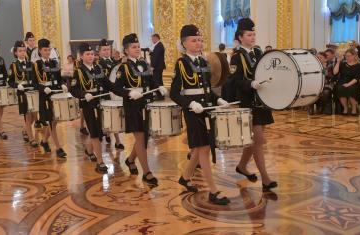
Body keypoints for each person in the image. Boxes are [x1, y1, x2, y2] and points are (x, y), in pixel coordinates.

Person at [170, 24, 231, 205]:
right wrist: (190, 104)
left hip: (206, 109)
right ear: (184, 43)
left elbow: (206, 88)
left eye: (200, 40)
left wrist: (218, 99)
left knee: (198, 148)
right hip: (193, 111)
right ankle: (213, 191)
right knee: (203, 148)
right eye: (194, 40)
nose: (198, 43)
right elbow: (174, 93)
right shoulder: (181, 64)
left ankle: (186, 177)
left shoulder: (204, 62)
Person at [229, 18, 278, 192]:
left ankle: (242, 166)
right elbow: (235, 80)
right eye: (249, 35)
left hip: (261, 101)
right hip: (248, 101)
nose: (253, 37)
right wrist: (249, 84)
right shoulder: (236, 57)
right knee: (258, 140)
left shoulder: (258, 53)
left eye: (254, 34)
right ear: (240, 37)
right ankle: (265, 178)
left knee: (254, 140)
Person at [114, 33, 166, 185]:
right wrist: (129, 92)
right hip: (132, 106)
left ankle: (130, 160)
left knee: (144, 138)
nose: (137, 49)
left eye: (137, 46)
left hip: (145, 103)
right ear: (126, 50)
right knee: (141, 139)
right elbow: (117, 88)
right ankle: (147, 173)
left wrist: (159, 87)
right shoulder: (123, 68)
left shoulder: (144, 64)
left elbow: (151, 80)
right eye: (133, 47)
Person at [70, 42, 117, 173]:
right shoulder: (78, 71)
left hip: (100, 103)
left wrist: (122, 91)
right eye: (87, 54)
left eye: (92, 54)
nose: (90, 56)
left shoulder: (98, 68)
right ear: (81, 56)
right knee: (95, 133)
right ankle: (100, 162)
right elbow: (73, 89)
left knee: (99, 132)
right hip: (88, 105)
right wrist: (84, 94)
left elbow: (108, 84)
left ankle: (89, 150)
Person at [32, 38, 67, 158]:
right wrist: (42, 88)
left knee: (54, 121)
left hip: (55, 95)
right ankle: (58, 148)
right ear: (40, 51)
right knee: (51, 122)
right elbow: (34, 83)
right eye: (45, 50)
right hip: (45, 96)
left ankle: (45, 141)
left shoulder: (54, 62)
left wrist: (62, 84)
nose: (47, 52)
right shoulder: (36, 65)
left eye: (49, 50)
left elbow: (59, 78)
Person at [8, 41, 39, 147]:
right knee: (28, 115)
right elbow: (10, 81)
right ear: (16, 53)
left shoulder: (31, 64)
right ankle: (31, 139)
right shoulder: (13, 66)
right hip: (22, 92)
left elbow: (35, 78)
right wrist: (17, 86)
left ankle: (25, 130)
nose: (22, 53)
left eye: (24, 51)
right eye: (20, 51)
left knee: (35, 116)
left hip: (33, 92)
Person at [97, 39, 124, 149]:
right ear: (99, 52)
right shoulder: (99, 64)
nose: (107, 51)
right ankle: (107, 134)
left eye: (108, 49)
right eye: (104, 50)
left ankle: (117, 140)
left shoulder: (114, 61)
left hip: (114, 92)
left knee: (114, 116)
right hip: (104, 93)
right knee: (106, 116)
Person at [334, 48, 360, 115]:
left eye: (349, 56)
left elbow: (357, 78)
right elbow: (335, 73)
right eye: (346, 56)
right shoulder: (343, 64)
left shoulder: (359, 65)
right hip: (342, 81)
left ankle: (354, 109)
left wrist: (348, 84)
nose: (347, 57)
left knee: (351, 89)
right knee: (340, 88)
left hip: (354, 82)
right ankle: (345, 108)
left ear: (354, 56)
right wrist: (338, 62)